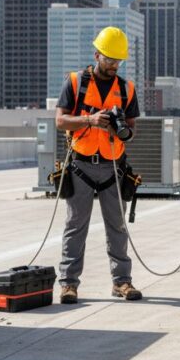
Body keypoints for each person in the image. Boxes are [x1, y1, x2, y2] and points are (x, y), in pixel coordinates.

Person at [54, 26, 142, 304]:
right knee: (75, 226)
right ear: (97, 56)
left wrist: (120, 130)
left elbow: (132, 130)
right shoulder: (75, 82)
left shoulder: (126, 89)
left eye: (118, 61)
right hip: (81, 165)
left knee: (117, 227)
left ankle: (122, 282)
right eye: (109, 59)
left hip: (113, 167)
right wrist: (89, 120)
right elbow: (60, 121)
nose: (114, 65)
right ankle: (68, 284)